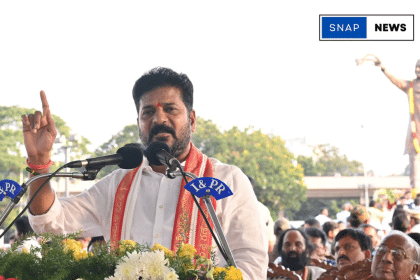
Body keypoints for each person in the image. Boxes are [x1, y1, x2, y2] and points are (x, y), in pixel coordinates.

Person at [22, 67, 268, 279]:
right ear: (139, 123)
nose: (159, 119)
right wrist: (39, 162)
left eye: (170, 109)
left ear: (192, 120)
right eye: (148, 112)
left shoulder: (227, 179)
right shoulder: (116, 185)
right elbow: (50, 222)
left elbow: (251, 263)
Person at [368, 55, 420, 189]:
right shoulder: (410, 86)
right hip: (415, 130)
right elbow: (398, 81)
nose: (418, 70)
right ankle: (416, 191)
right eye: (416, 68)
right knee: (414, 162)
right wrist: (383, 68)